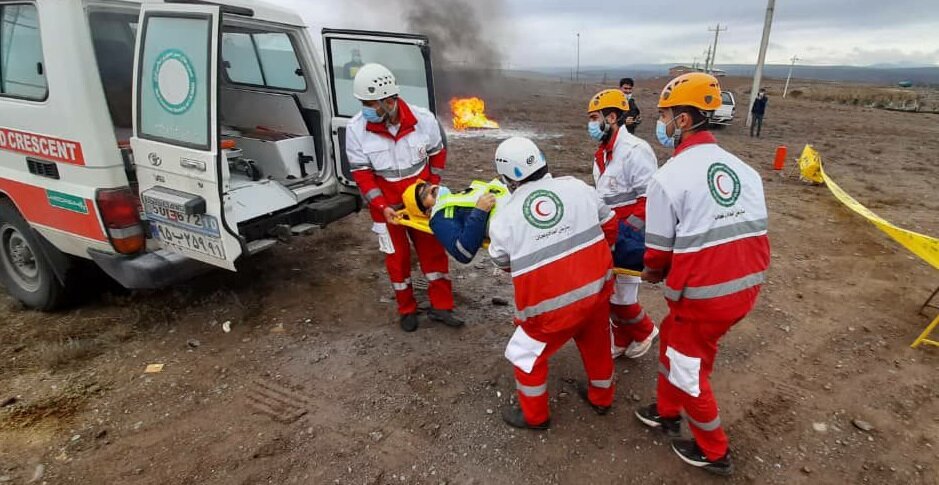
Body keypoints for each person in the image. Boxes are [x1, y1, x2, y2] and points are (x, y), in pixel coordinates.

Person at [634, 72, 770, 475]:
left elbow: (657, 254)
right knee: (672, 336)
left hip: (704, 296)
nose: (663, 123)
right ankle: (665, 410)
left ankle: (715, 452)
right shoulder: (744, 170)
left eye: (667, 115)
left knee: (687, 366)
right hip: (745, 286)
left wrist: (651, 273)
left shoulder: (667, 178)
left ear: (686, 121)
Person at [488, 136, 620, 430]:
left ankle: (535, 416)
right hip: (597, 293)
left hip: (549, 311)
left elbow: (501, 261)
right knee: (598, 345)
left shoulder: (505, 216)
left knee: (525, 356)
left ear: (507, 178)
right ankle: (602, 398)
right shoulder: (577, 187)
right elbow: (610, 224)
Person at [345, 63, 462, 332]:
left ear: (388, 100)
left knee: (433, 256)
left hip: (421, 207)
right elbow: (362, 174)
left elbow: (438, 155)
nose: (365, 109)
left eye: (369, 103)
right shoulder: (356, 129)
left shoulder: (423, 120)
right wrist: (381, 206)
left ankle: (442, 307)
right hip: (388, 212)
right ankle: (407, 309)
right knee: (397, 261)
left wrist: (431, 190)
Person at [586, 89, 659, 359]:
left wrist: (627, 232)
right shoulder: (603, 154)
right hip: (612, 234)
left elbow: (650, 198)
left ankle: (644, 331)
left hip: (630, 237)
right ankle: (620, 339)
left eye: (595, 118)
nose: (591, 125)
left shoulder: (635, 152)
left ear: (612, 117)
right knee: (609, 293)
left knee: (622, 298)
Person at [400, 179, 508, 264]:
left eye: (427, 185)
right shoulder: (439, 218)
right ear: (427, 212)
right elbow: (463, 252)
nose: (431, 188)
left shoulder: (458, 197)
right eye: (424, 195)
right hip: (512, 226)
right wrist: (479, 211)